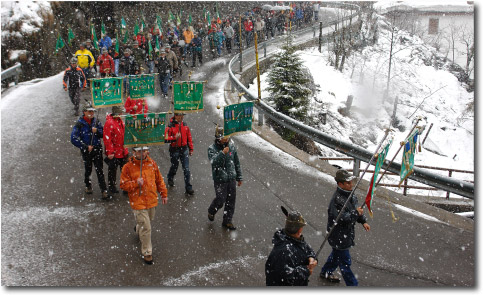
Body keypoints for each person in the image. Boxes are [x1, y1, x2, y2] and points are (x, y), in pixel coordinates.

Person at [319, 169, 371, 286]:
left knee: (336, 256)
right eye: (347, 183)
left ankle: (326, 271)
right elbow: (341, 218)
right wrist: (356, 214)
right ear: (340, 184)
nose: (351, 184)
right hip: (338, 235)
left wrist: (363, 221)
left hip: (345, 234)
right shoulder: (336, 200)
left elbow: (356, 209)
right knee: (345, 263)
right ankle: (353, 285)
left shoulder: (351, 195)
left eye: (351, 182)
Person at [120, 146, 168, 265]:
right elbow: (123, 185)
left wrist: (163, 193)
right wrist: (136, 183)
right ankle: (147, 252)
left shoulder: (152, 163)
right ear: (134, 152)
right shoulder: (127, 167)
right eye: (139, 151)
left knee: (148, 221)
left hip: (151, 200)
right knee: (146, 227)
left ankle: (138, 227)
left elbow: (159, 180)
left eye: (144, 151)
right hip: (138, 202)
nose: (142, 153)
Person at [265, 210, 317, 286]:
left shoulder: (294, 239)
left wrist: (311, 257)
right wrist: (307, 270)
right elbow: (288, 278)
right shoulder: (284, 252)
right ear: (299, 230)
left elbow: (305, 247)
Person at [207, 127, 242, 230]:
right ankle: (212, 210)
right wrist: (222, 153)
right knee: (220, 199)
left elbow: (236, 162)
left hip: (231, 178)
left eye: (227, 137)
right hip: (220, 179)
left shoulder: (232, 146)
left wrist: (239, 177)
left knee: (231, 201)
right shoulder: (212, 149)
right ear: (218, 138)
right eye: (223, 137)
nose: (226, 139)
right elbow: (213, 162)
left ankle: (227, 221)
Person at [70, 105, 109, 200]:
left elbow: (104, 133)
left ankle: (104, 190)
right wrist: (85, 146)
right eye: (89, 111)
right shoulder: (79, 124)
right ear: (84, 112)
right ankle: (88, 185)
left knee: (99, 170)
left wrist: (97, 132)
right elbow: (73, 138)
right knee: (88, 169)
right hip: (86, 151)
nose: (91, 113)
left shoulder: (96, 122)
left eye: (92, 112)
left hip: (97, 149)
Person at [165, 112, 194, 195]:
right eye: (179, 116)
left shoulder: (185, 124)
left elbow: (189, 137)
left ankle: (188, 187)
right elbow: (166, 139)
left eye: (182, 116)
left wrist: (191, 148)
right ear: (175, 116)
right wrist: (174, 138)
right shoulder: (170, 125)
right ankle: (170, 177)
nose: (181, 117)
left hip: (184, 149)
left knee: (186, 169)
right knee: (174, 166)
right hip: (174, 149)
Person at [103, 106, 129, 196]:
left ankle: (125, 186)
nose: (122, 114)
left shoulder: (119, 120)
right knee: (112, 171)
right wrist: (110, 152)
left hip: (122, 150)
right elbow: (107, 139)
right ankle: (112, 186)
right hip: (115, 152)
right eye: (120, 113)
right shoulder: (109, 122)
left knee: (125, 170)